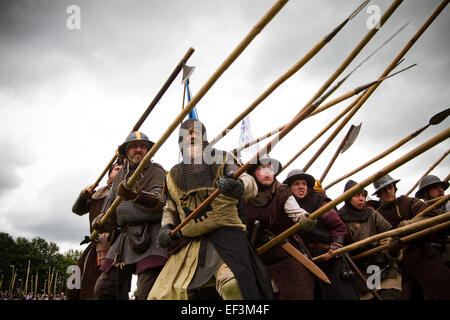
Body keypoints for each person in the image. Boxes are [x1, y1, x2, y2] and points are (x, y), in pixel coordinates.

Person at [148, 119, 274, 300]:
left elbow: (250, 184)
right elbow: (170, 209)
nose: (192, 136)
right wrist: (166, 228)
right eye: (187, 134)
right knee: (159, 296)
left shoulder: (223, 159)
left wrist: (236, 185)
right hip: (190, 247)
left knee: (234, 286)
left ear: (203, 138)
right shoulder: (172, 175)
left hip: (228, 239)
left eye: (196, 133)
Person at [93, 131, 167, 300]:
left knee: (146, 295)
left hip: (152, 236)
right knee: (104, 290)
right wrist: (101, 220)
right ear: (127, 151)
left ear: (148, 150)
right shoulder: (119, 175)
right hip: (124, 240)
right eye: (134, 146)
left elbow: (161, 204)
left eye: (143, 146)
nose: (138, 149)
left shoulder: (156, 171)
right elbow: (109, 208)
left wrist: (136, 196)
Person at [244, 157, 317, 300]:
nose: (267, 173)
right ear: (253, 174)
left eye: (270, 169)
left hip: (286, 253)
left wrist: (305, 219)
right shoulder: (245, 197)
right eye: (261, 169)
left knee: (299, 291)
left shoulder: (282, 192)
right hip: (258, 258)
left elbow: (297, 212)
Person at [283, 169, 357, 300]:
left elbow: (338, 226)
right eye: (296, 184)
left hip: (330, 255)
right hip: (308, 260)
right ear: (289, 188)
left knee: (340, 295)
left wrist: (336, 245)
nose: (301, 187)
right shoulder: (287, 206)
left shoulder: (319, 201)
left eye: (303, 183)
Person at [373, 174, 450, 300]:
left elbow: (432, 217)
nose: (388, 191)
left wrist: (408, 225)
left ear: (394, 188)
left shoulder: (408, 202)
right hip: (403, 268)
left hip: (426, 257)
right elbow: (379, 245)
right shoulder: (377, 216)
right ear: (379, 194)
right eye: (383, 190)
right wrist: (392, 249)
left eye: (390, 187)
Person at [339, 180, 403, 300]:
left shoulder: (372, 215)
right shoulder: (340, 219)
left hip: (384, 268)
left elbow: (388, 235)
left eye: (363, 195)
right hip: (361, 272)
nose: (362, 199)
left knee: (388, 296)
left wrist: (390, 246)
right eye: (357, 195)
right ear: (348, 198)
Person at [68, 162, 122, 299]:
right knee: (77, 281)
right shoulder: (98, 193)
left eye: (122, 170)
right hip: (95, 244)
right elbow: (77, 210)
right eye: (116, 169)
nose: (119, 172)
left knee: (107, 286)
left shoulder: (126, 190)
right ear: (109, 174)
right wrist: (83, 196)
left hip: (116, 244)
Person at [415, 175, 450, 266]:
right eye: (435, 187)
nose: (440, 190)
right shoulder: (420, 213)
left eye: (441, 187)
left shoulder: (449, 206)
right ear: (425, 193)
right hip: (432, 256)